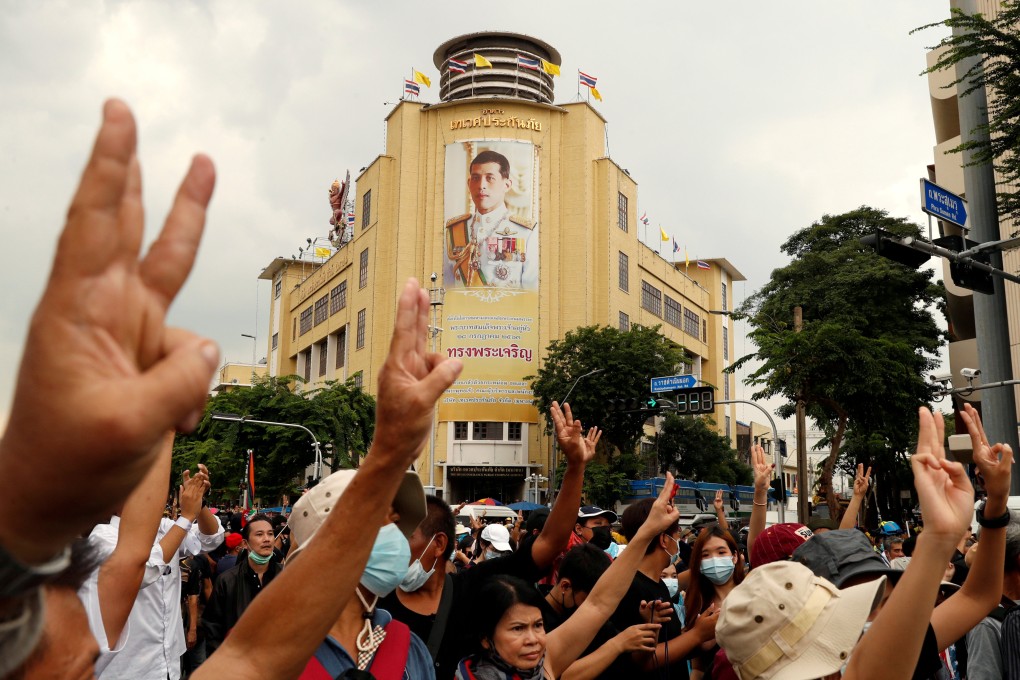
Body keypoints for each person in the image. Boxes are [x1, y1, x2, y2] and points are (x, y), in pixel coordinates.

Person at [0, 98, 221, 674]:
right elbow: (133, 560)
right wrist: (161, 431)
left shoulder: (62, 598)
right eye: (77, 672)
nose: (86, 666)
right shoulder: (93, 545)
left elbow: (254, 653)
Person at [455, 474, 682, 679]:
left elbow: (599, 604)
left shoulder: (544, 666)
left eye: (539, 626)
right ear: (486, 638)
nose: (533, 639)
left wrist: (647, 531)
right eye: (517, 629)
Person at [99, 464, 224, 680]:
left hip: (168, 664)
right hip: (128, 669)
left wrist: (198, 502)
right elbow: (145, 570)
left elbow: (211, 539)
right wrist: (185, 518)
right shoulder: (103, 538)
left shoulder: (165, 528)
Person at [611, 498, 718, 680]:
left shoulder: (657, 584)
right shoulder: (631, 589)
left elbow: (669, 646)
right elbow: (641, 662)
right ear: (663, 539)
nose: (678, 541)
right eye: (676, 534)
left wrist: (704, 637)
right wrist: (696, 635)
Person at [444, 149, 538, 289]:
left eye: (490, 178)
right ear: (469, 183)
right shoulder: (454, 231)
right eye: (476, 178)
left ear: (507, 185)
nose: (481, 185)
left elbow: (532, 294)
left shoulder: (526, 232)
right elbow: (447, 290)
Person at [201, 513, 283, 653]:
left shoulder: (285, 576)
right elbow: (213, 628)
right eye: (259, 534)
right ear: (245, 543)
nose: (267, 539)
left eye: (270, 534)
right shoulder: (227, 580)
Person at [683, 524, 746, 679]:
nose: (714, 560)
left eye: (721, 552)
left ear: (735, 556)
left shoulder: (752, 593)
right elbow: (697, 669)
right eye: (705, 555)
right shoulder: (696, 604)